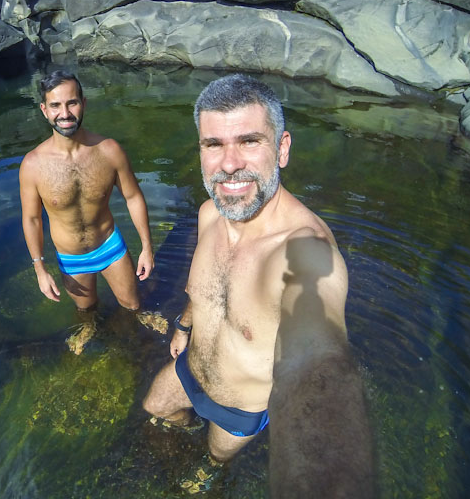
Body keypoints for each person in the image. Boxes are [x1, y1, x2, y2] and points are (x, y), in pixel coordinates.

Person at [142, 75, 374, 496]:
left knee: (212, 461)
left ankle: (213, 470)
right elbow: (202, 288)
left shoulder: (303, 252)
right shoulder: (209, 215)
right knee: (155, 409)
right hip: (189, 368)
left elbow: (319, 362)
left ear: (282, 148)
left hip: (238, 409)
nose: (229, 164)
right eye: (214, 144)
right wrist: (183, 325)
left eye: (249, 141)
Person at [19, 70, 167, 354]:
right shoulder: (33, 165)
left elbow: (133, 197)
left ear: (83, 103)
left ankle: (140, 317)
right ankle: (88, 327)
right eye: (55, 105)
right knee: (86, 310)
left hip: (110, 245)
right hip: (71, 257)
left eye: (71, 103)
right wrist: (40, 268)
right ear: (44, 110)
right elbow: (32, 218)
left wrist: (147, 247)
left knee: (133, 304)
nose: (65, 113)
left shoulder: (108, 150)